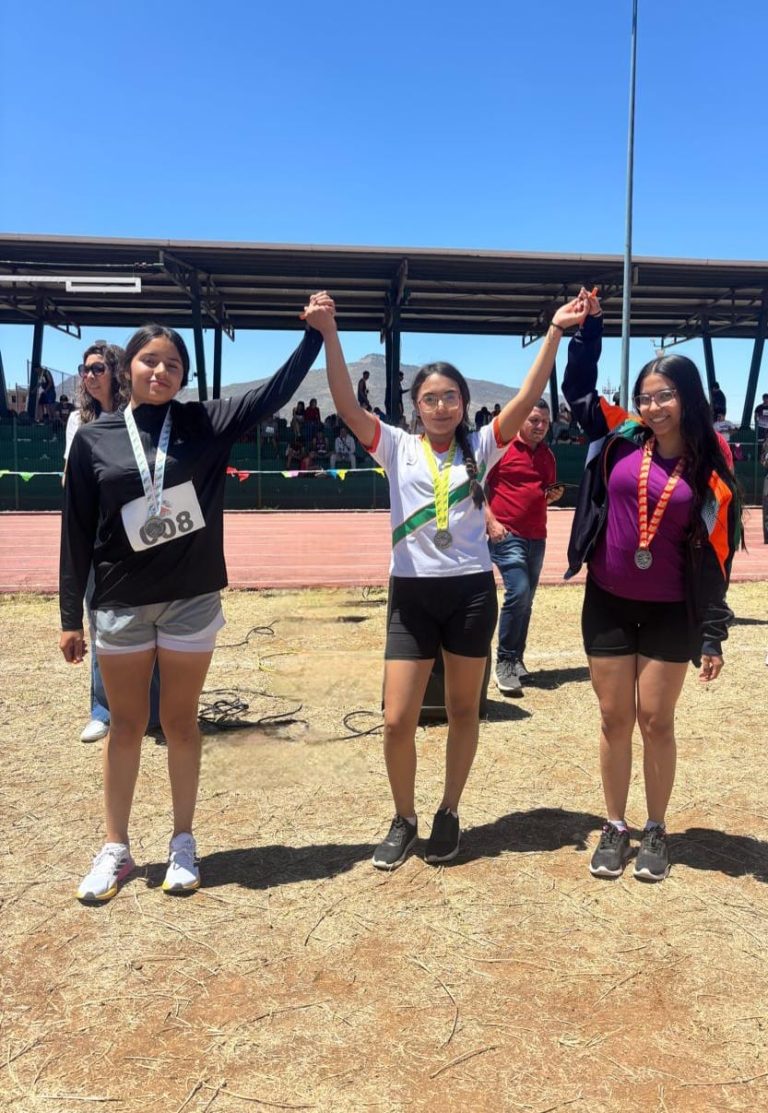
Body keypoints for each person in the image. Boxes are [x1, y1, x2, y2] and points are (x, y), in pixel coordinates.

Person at [59, 297, 327, 902]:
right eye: (149, 361)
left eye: (172, 364)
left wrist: (312, 337)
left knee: (180, 723)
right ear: (127, 369)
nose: (160, 372)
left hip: (190, 601)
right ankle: (116, 849)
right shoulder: (95, 440)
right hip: (121, 602)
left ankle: (183, 841)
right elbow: (74, 530)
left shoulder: (205, 424)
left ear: (184, 375)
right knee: (126, 725)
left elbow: (272, 394)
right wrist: (68, 614)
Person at [318, 288, 589, 870]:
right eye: (430, 398)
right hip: (411, 596)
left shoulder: (484, 444)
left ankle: (448, 811)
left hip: (469, 594)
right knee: (397, 719)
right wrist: (330, 334)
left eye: (450, 398)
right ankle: (403, 816)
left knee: (465, 711)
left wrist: (556, 332)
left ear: (464, 404)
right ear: (416, 406)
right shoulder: (395, 446)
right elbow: (345, 405)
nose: (440, 407)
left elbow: (526, 397)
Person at [563, 290, 740, 884]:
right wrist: (589, 334)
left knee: (655, 720)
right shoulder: (619, 434)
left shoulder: (714, 464)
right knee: (615, 719)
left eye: (665, 395)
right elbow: (578, 394)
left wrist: (713, 632)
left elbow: (717, 556)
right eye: (646, 396)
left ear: (687, 399)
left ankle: (656, 828)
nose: (654, 405)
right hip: (608, 601)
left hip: (670, 611)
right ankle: (615, 826)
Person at [64, 340, 161, 744]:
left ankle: (154, 711)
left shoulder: (137, 417)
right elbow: (73, 481)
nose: (89, 376)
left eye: (98, 368)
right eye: (85, 369)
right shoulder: (77, 423)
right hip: (96, 538)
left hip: (139, 536)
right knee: (100, 624)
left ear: (117, 372)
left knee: (154, 622)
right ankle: (104, 710)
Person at [485, 399, 563, 697]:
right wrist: (491, 522)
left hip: (537, 536)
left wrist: (551, 496)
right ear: (519, 420)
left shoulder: (548, 456)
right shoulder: (500, 451)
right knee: (517, 592)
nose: (540, 427)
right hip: (507, 535)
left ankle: (517, 658)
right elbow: (477, 487)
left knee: (526, 600)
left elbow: (545, 494)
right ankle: (504, 662)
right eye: (533, 420)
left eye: (544, 422)